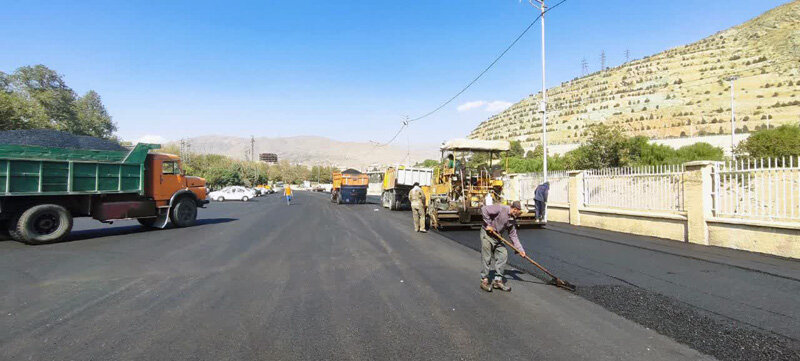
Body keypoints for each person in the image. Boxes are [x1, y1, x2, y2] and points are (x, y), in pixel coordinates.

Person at [480, 201, 526, 292]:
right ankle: (484, 280)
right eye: (519, 212)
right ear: (515, 209)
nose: (519, 214)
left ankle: (497, 281)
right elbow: (484, 209)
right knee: (487, 257)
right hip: (487, 234)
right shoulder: (501, 208)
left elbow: (513, 235)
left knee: (503, 254)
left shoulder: (512, 219)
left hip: (497, 236)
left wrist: (520, 249)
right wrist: (489, 224)